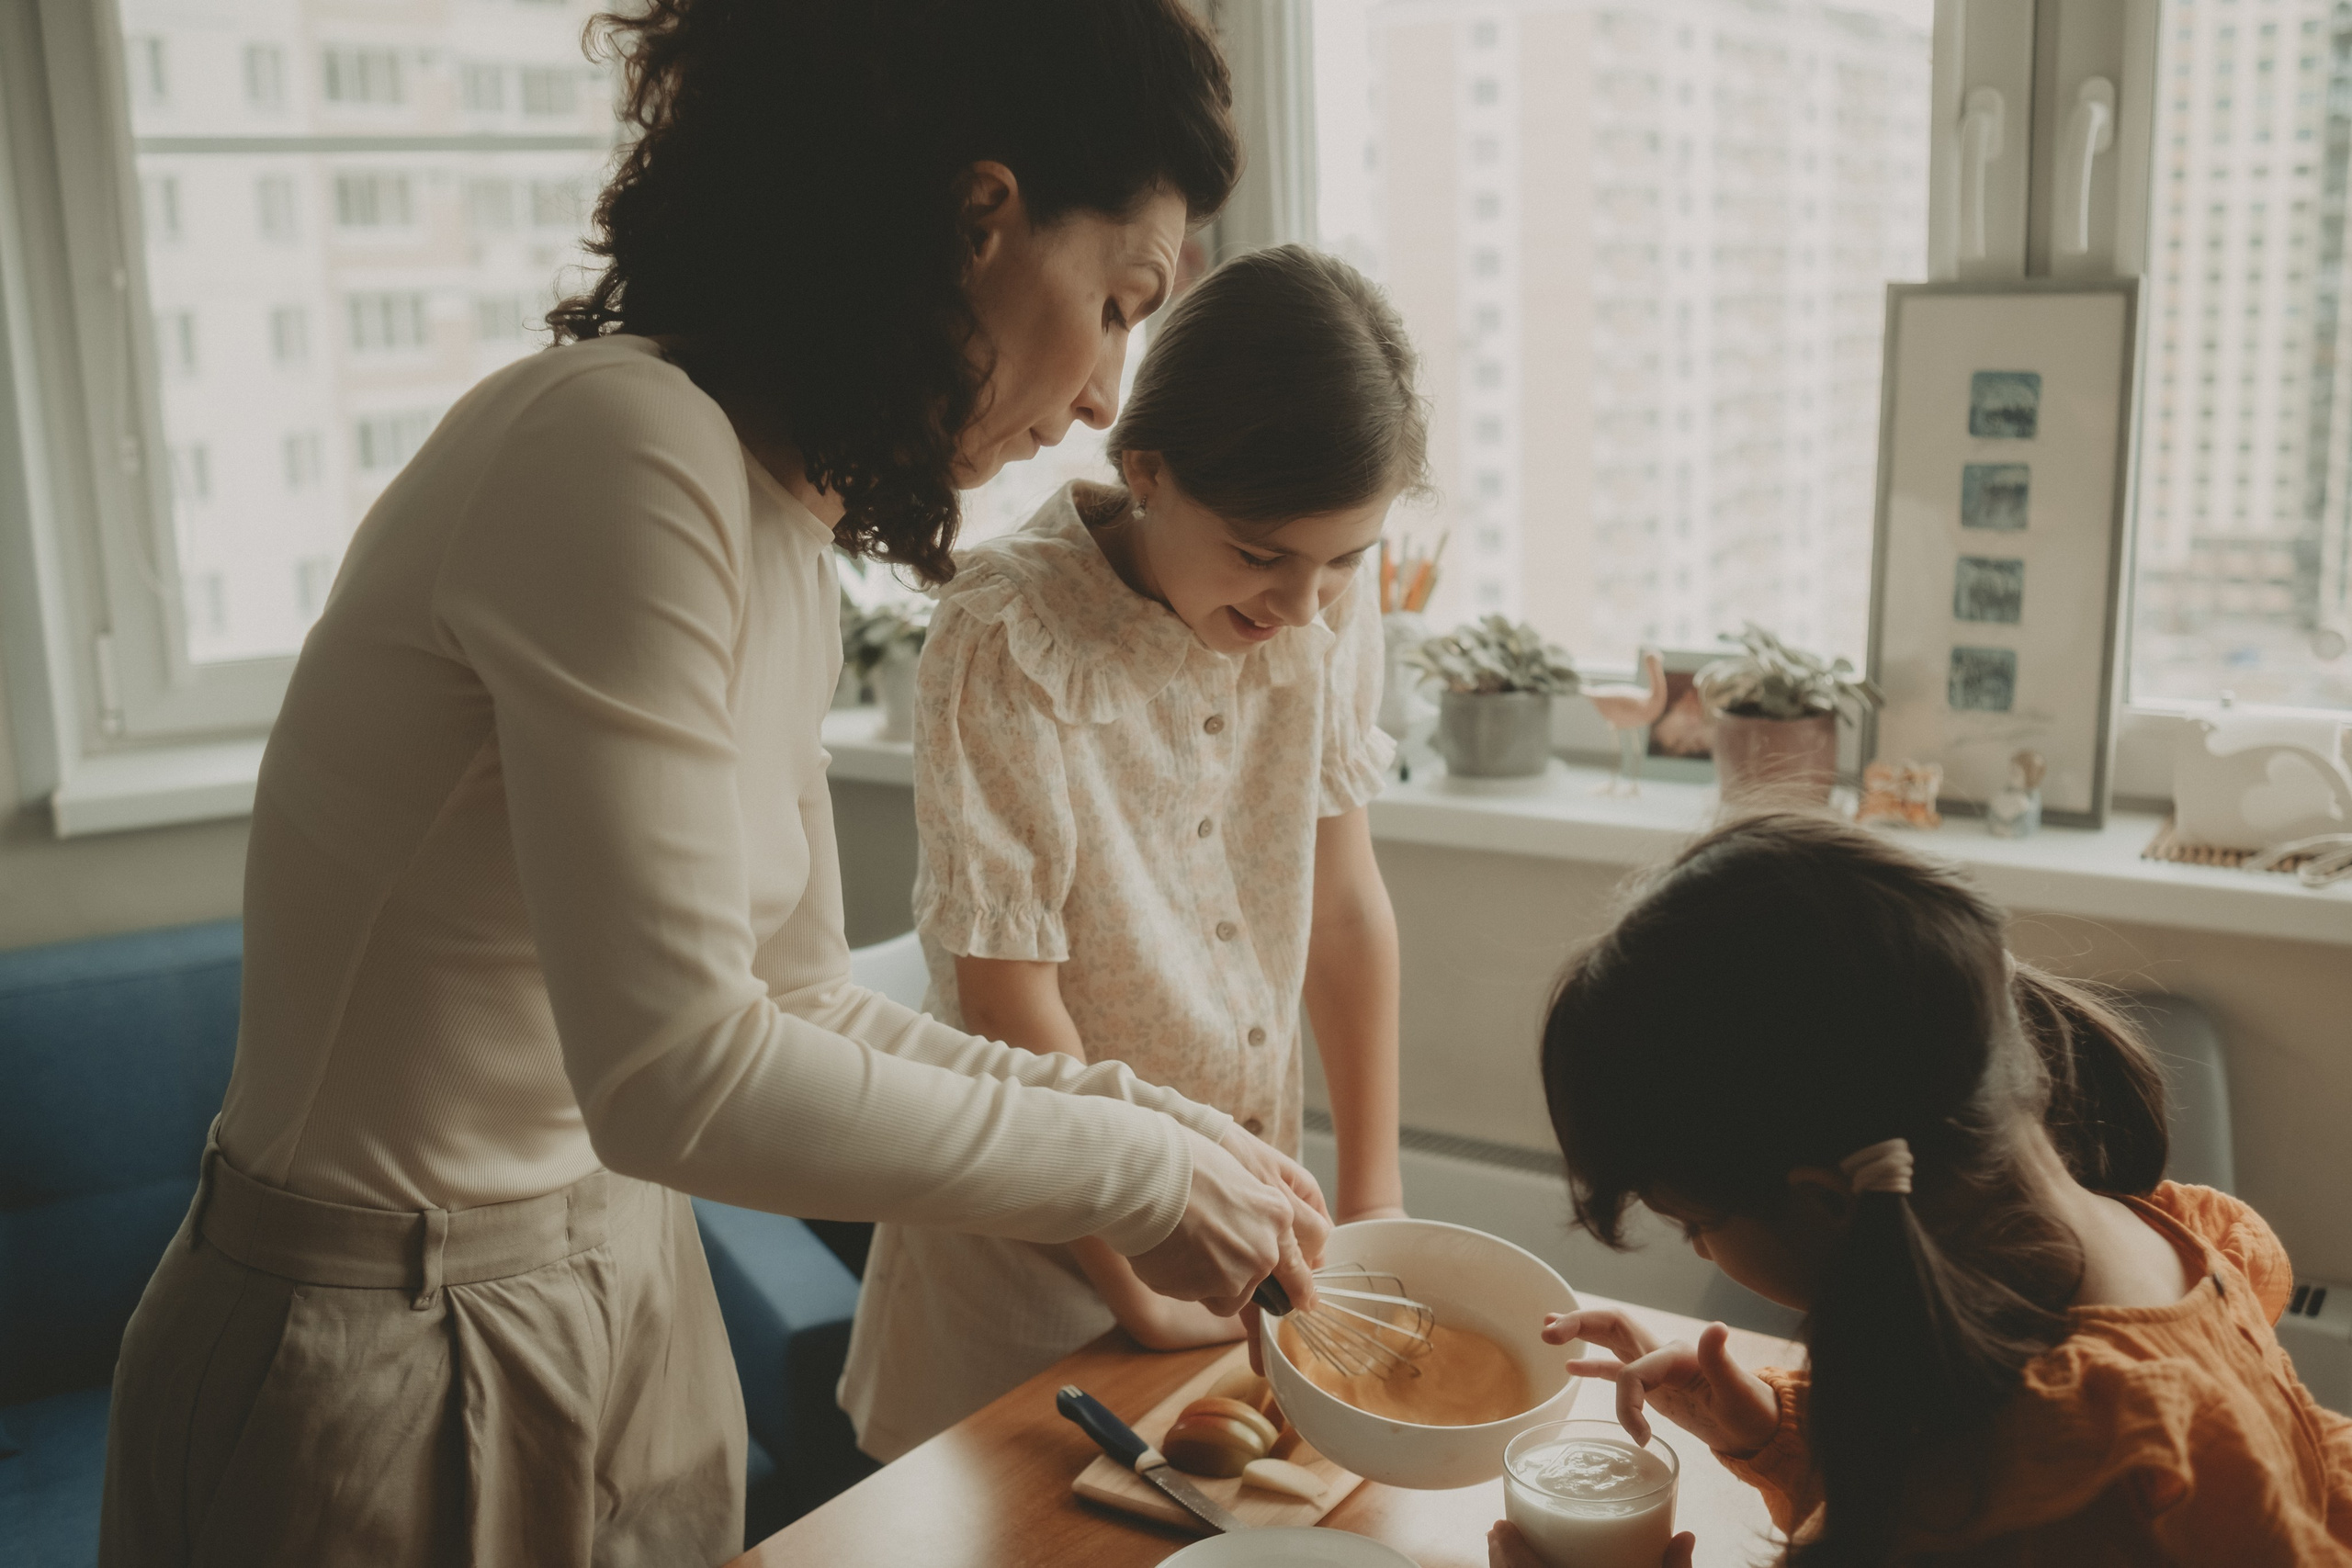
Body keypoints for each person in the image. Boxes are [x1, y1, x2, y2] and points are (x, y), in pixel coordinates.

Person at [97, 6, 1331, 1565]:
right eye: (1118, 303)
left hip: (619, 1282)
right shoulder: (613, 449)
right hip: (377, 1329)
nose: (1106, 395)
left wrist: (1152, 1119)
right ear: (978, 218)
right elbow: (675, 1071)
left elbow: (795, 1000)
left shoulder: (776, 525)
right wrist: (1141, 1165)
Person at [840, 245, 1418, 1461]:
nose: (1301, 605)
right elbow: (1005, 996)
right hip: (1039, 1266)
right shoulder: (1008, 630)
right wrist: (1133, 1270)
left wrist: (1374, 1202)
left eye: (1344, 561)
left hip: (1243, 1247)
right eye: (1262, 553)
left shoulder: (1315, 598)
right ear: (1144, 466)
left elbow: (1346, 905)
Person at [1488, 811, 2352, 1566]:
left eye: (1694, 1224)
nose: (1703, 1250)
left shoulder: (2048, 1480)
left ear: (1827, 1197)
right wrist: (1773, 1431)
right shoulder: (2180, 1244)